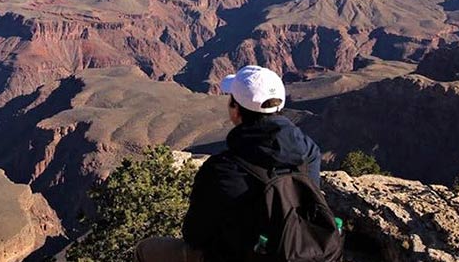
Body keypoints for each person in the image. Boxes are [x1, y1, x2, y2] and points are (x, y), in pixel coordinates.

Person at [134, 65, 322, 262]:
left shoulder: (222, 168)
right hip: (297, 251)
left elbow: (194, 235)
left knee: (146, 249)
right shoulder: (310, 154)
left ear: (236, 109)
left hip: (241, 255)